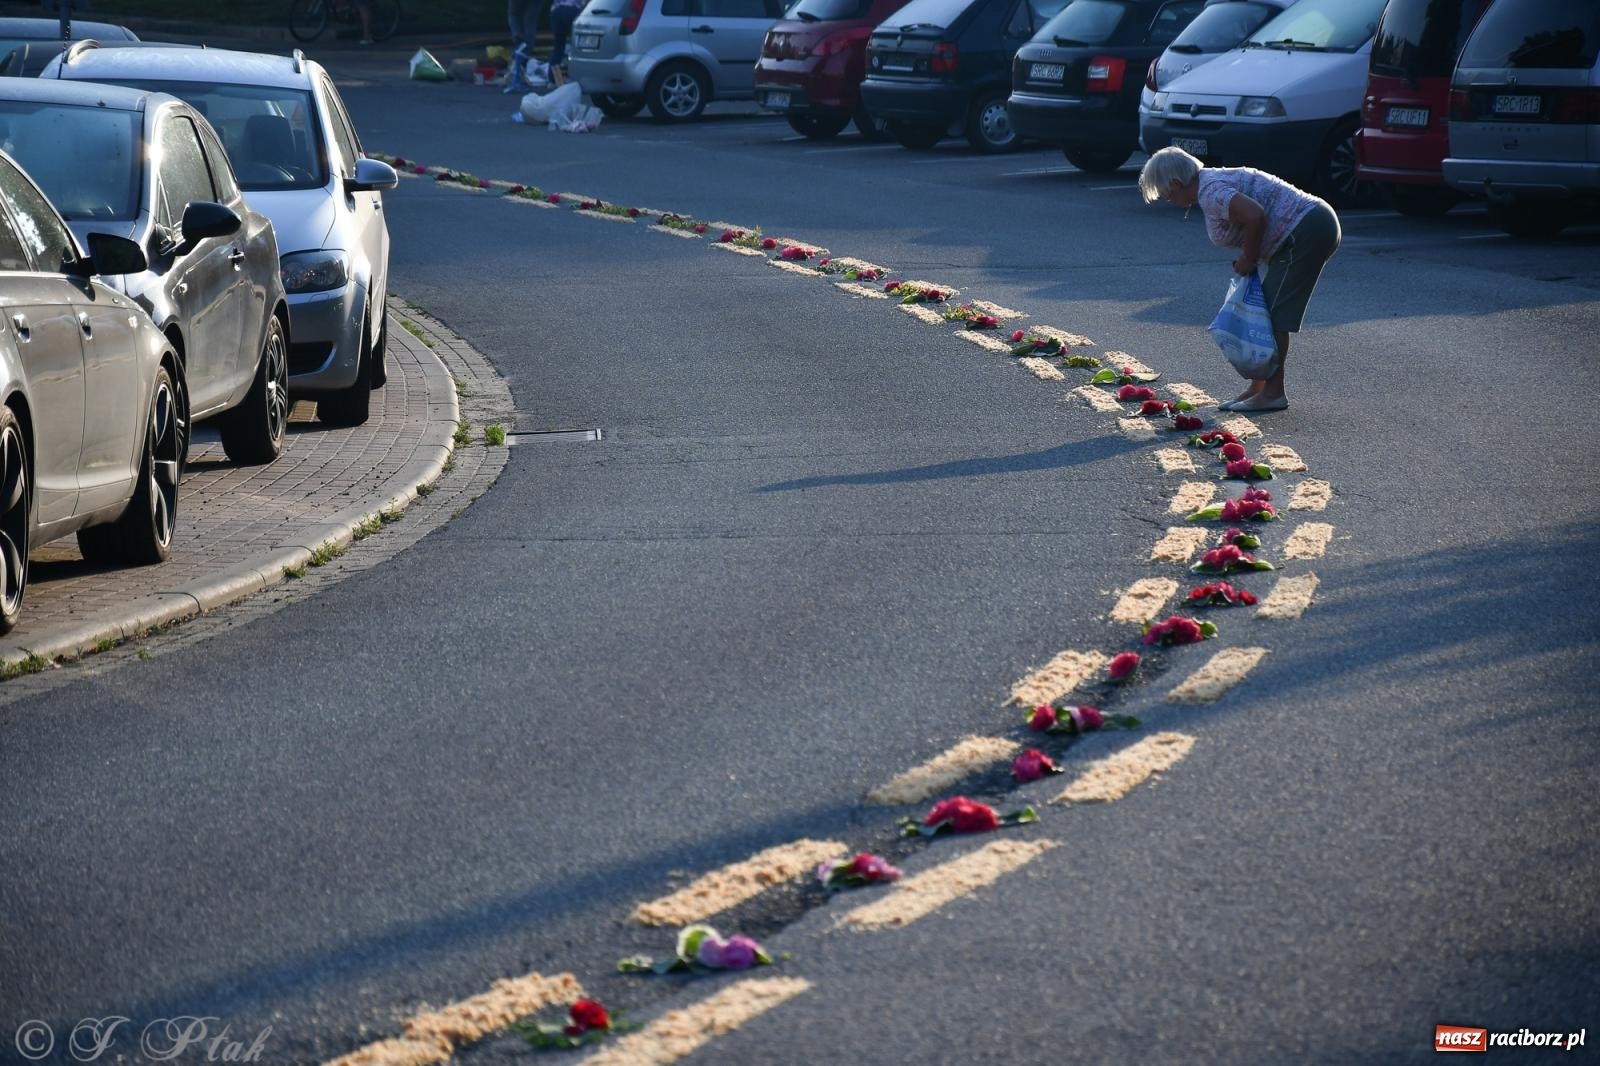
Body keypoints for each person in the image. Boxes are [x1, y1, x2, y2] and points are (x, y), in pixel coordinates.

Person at [1138, 147, 1341, 412]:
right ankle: (1260, 387)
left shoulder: (1210, 191)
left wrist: (1249, 258)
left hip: (1305, 230)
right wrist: (1250, 256)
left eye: (1166, 193)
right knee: (1266, 312)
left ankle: (1273, 393)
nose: (1168, 199)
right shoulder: (1210, 182)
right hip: (1308, 226)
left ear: (1175, 183)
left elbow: (1255, 215)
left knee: (1272, 316)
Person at [547, 0, 585, 68]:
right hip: (574, 9)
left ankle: (553, 72)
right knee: (578, 47)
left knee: (558, 48)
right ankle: (577, 71)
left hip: (556, 10)